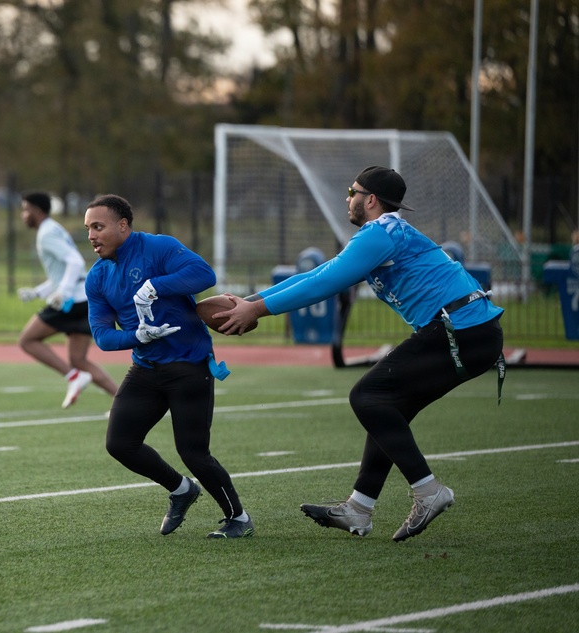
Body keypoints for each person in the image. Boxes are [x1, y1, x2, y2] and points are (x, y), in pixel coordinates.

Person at [214, 166, 505, 542]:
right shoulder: (383, 234)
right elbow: (319, 272)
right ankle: (359, 507)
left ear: (370, 200)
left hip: (461, 330)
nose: (346, 199)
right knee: (387, 406)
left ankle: (428, 490)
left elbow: (325, 283)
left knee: (367, 396)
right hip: (468, 330)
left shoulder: (379, 232)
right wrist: (251, 301)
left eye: (351, 191)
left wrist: (257, 311)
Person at [83, 194, 253, 539]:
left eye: (98, 226)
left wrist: (154, 286)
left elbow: (204, 274)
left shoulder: (158, 247)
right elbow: (101, 336)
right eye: (87, 228)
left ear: (123, 225)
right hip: (145, 368)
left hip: (188, 366)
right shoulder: (98, 277)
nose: (91, 235)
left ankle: (238, 518)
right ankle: (181, 490)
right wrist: (138, 336)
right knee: (120, 444)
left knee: (193, 451)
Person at [16, 192, 117, 408]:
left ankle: (73, 377)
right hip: (84, 298)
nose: (23, 215)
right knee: (79, 360)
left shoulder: (47, 233)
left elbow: (74, 262)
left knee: (27, 340)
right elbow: (62, 274)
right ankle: (125, 402)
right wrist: (38, 292)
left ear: (37, 210)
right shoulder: (53, 228)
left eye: (26, 210)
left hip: (75, 300)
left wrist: (64, 292)